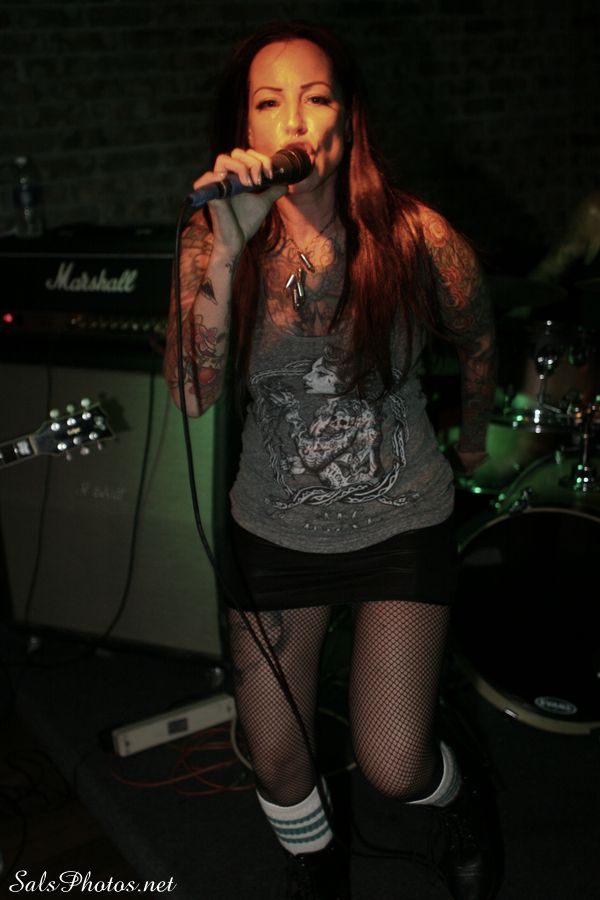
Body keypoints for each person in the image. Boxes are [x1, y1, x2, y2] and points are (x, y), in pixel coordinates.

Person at [164, 21, 499, 900]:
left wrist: (471, 440)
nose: (293, 122)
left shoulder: (417, 234)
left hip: (400, 520)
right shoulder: (211, 238)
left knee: (392, 763)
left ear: (348, 119)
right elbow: (193, 393)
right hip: (274, 530)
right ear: (244, 127)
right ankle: (316, 872)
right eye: (268, 103)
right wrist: (227, 248)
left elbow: (477, 336)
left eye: (315, 98)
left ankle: (462, 801)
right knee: (276, 757)